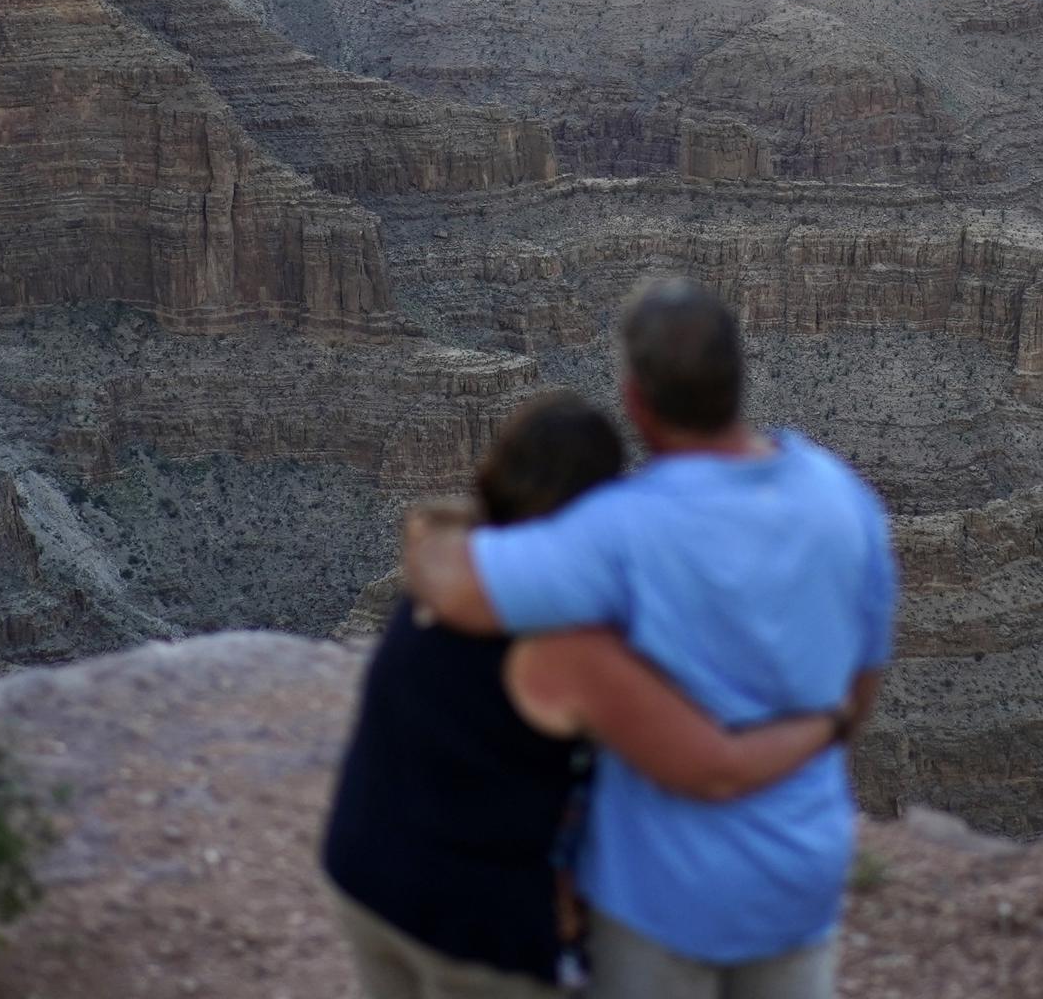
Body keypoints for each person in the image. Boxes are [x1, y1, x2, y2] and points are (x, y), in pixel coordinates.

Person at [403, 281, 897, 999]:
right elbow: (862, 686)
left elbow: (449, 588)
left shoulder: (618, 531)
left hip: (661, 898)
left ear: (636, 400)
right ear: (739, 378)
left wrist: (434, 524)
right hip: (801, 875)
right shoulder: (844, 498)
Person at [324, 389, 847, 999]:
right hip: (469, 928)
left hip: (363, 877)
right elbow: (716, 768)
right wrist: (827, 722)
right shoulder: (561, 643)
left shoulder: (449, 566)